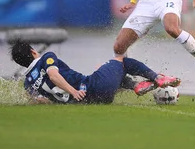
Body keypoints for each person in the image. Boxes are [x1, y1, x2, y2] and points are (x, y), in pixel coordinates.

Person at [10, 40, 180, 104]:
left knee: (104, 69)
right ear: (33, 52)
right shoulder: (46, 57)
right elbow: (54, 76)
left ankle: (136, 84)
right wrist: (73, 91)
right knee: (121, 58)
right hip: (92, 87)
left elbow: (40, 102)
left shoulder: (27, 84)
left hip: (90, 101)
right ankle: (157, 77)